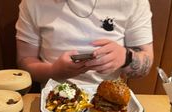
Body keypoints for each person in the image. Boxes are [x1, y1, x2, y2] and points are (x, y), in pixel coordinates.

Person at [15, 0, 154, 86]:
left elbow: (146, 61)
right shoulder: (32, 3)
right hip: (53, 99)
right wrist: (54, 72)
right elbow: (25, 60)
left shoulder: (134, 2)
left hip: (110, 99)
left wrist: (126, 57)